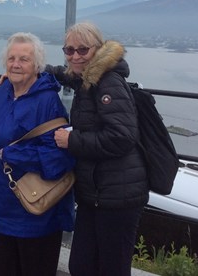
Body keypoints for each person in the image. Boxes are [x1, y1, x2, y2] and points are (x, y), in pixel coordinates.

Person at [47, 22, 149, 276]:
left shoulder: (108, 83)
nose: (75, 56)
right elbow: (69, 74)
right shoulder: (89, 77)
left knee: (110, 268)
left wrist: (72, 141)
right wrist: (38, 68)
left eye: (82, 50)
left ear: (98, 50)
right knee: (82, 265)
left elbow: (122, 137)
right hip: (97, 194)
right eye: (69, 50)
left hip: (118, 196)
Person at [0, 32, 76, 276]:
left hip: (34, 216)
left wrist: (14, 154)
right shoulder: (1, 91)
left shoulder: (48, 101)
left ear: (37, 65)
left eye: (24, 59)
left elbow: (60, 156)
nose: (16, 64)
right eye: (11, 58)